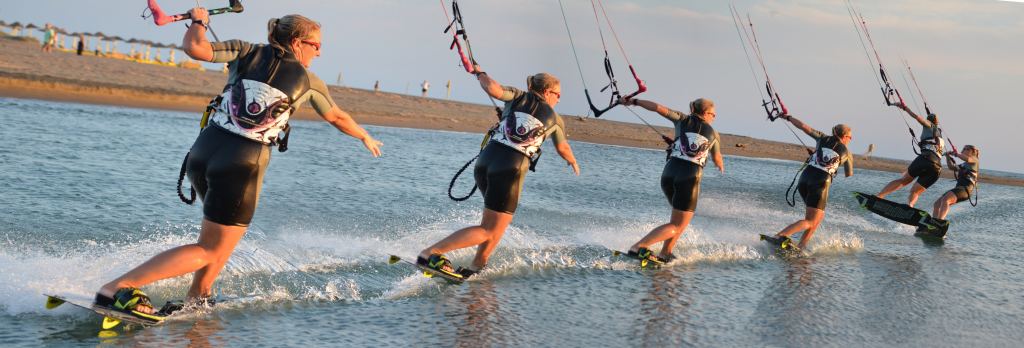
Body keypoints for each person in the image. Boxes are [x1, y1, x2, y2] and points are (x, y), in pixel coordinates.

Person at [94, 9, 382, 319]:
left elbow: (195, 48)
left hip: (202, 153)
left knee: (219, 238)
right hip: (241, 165)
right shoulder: (309, 81)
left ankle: (199, 297)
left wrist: (199, 22)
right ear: (297, 42)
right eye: (316, 44)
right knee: (212, 249)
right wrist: (364, 135)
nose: (319, 51)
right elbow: (337, 116)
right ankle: (118, 288)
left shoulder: (245, 51)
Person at [418, 65, 579, 279]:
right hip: (509, 169)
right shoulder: (556, 119)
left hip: (485, 162)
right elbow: (563, 148)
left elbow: (491, 87)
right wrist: (573, 162)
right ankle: (431, 253)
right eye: (558, 95)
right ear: (548, 92)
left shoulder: (517, 96)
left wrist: (479, 73)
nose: (558, 100)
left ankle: (477, 266)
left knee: (498, 223)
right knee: (490, 229)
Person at [620, 96, 723, 263]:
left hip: (668, 174)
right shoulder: (714, 134)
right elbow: (717, 158)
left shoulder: (681, 119)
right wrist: (720, 165)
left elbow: (657, 107)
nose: (714, 117)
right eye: (713, 114)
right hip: (689, 177)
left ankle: (666, 252)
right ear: (705, 113)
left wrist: (635, 101)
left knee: (677, 221)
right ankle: (639, 247)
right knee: (677, 225)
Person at [772, 114, 853, 250]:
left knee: (818, 217)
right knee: (811, 220)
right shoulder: (848, 153)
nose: (850, 140)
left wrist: (788, 117)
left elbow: (803, 127)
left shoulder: (822, 137)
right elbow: (848, 174)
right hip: (820, 183)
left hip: (804, 178)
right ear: (844, 137)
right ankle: (780, 234)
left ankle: (802, 245)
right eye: (850, 138)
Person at [876, 104, 944, 207]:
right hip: (937, 167)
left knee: (903, 181)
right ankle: (910, 206)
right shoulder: (939, 134)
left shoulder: (928, 126)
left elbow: (917, 117)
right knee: (914, 192)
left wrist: (905, 108)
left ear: (929, 121)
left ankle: (879, 196)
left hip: (926, 159)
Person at [933, 145, 979, 220]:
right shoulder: (964, 164)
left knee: (946, 200)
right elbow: (951, 167)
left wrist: (955, 154)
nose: (961, 152)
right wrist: (948, 157)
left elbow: (968, 159)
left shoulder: (974, 159)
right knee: (937, 204)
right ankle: (933, 223)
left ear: (970, 151)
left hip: (966, 189)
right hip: (959, 188)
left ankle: (939, 221)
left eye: (963, 150)